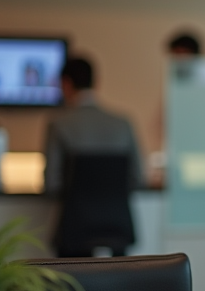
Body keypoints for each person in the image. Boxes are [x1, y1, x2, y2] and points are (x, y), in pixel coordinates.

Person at [43, 56, 143, 195]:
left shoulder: (58, 125)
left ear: (66, 84)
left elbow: (50, 184)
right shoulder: (123, 124)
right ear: (96, 82)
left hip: (75, 215)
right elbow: (138, 178)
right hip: (118, 215)